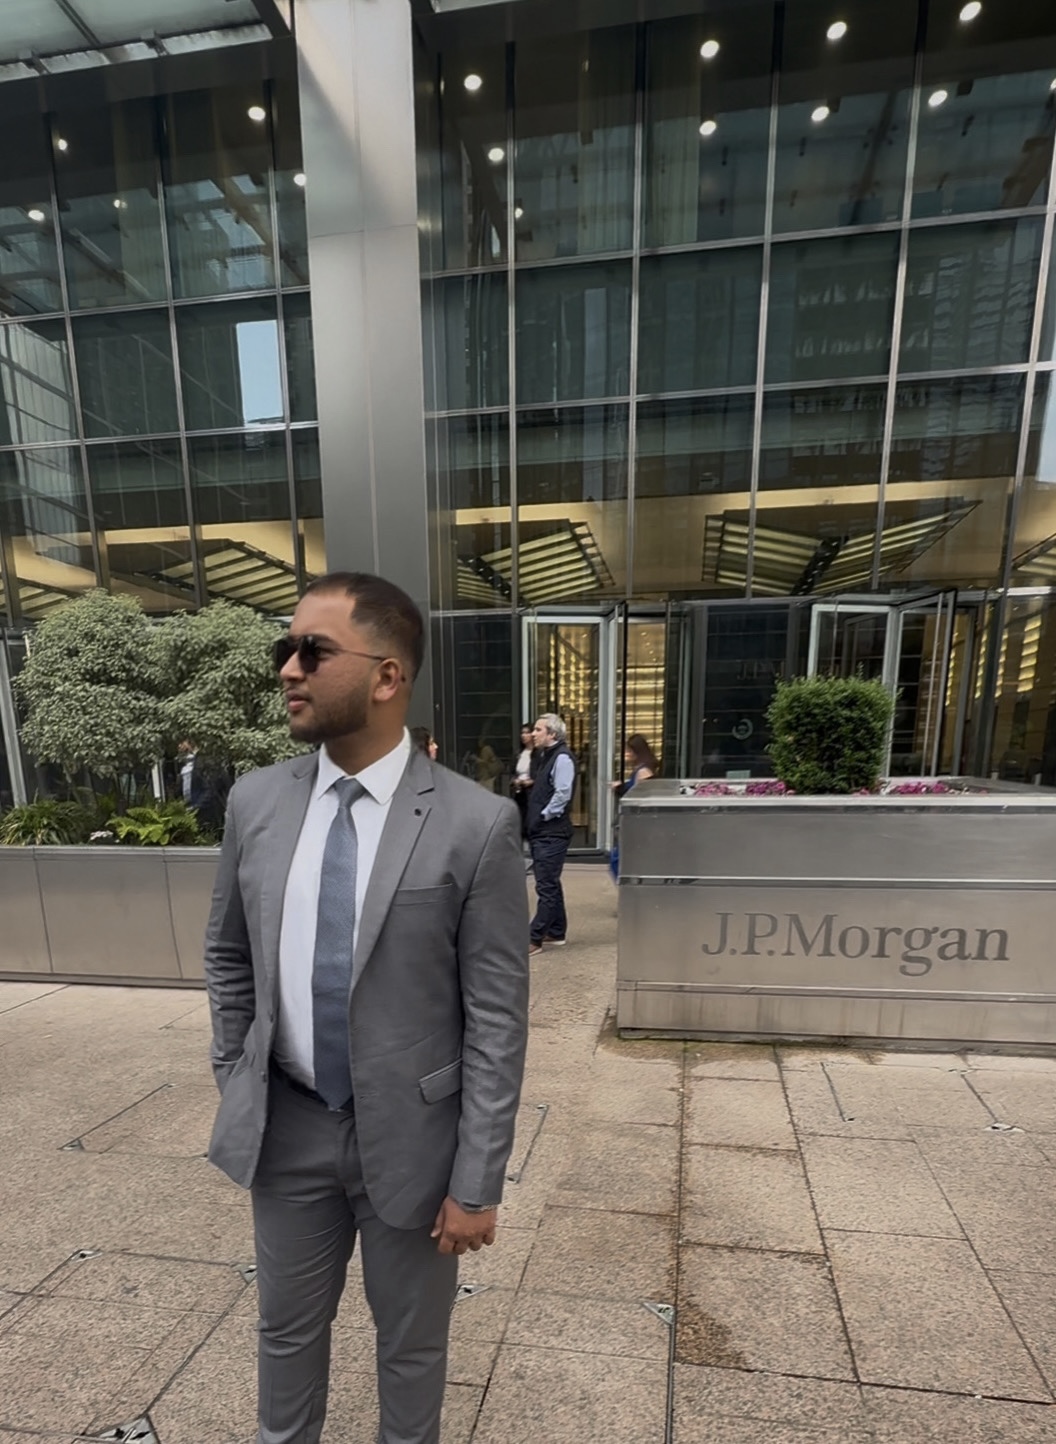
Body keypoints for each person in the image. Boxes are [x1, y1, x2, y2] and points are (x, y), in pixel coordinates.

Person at [203, 571, 529, 1444]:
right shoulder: (255, 801)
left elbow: (497, 1018)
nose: (287, 669)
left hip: (417, 1146)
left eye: (312, 651)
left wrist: (478, 1180)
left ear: (388, 676)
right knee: (284, 1335)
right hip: (289, 1127)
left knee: (412, 1349)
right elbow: (228, 952)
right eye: (286, 649)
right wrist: (236, 1071)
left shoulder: (477, 823)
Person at [526, 713, 576, 956]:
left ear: (552, 734)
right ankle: (556, 931)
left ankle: (533, 938)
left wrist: (544, 815)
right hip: (545, 831)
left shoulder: (562, 758)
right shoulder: (547, 756)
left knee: (545, 885)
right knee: (550, 883)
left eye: (538, 729)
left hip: (552, 832)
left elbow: (562, 793)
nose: (533, 734)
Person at [609, 734, 659, 882]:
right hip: (635, 822)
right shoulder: (640, 770)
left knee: (618, 858)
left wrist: (621, 789)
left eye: (629, 751)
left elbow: (640, 797)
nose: (626, 754)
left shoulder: (643, 772)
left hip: (637, 823)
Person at [176, 738, 229, 835]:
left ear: (190, 743)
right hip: (191, 811)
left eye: (181, 742)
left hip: (205, 813)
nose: (179, 746)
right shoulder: (185, 762)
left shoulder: (205, 760)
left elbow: (210, 790)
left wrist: (196, 807)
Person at [510, 722, 534, 838]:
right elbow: (512, 772)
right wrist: (515, 781)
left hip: (532, 793)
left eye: (527, 732)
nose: (524, 736)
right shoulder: (519, 753)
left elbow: (541, 775)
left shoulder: (538, 754)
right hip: (519, 792)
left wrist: (530, 782)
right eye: (522, 733)